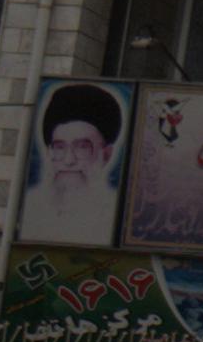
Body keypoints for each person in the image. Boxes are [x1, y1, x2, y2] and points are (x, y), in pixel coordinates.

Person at [19, 82, 124, 245]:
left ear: (106, 155)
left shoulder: (118, 215)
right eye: (59, 147)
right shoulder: (29, 207)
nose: (68, 161)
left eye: (82, 147)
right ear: (49, 152)